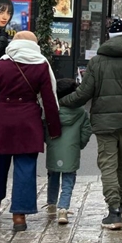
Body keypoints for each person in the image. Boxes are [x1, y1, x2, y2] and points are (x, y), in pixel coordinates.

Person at [59, 19, 122, 230]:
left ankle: (113, 211)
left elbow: (84, 94)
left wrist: (61, 102)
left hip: (104, 122)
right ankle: (120, 202)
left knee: (108, 165)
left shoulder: (97, 62)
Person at [0, 31, 62, 232]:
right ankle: (19, 215)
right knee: (26, 168)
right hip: (28, 123)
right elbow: (48, 100)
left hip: (1, 121)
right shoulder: (41, 66)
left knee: (0, 167)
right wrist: (54, 129)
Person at [45, 79, 92, 225]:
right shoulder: (81, 113)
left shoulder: (51, 111)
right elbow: (86, 131)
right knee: (68, 180)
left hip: (53, 150)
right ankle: (63, 209)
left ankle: (51, 204)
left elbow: (45, 130)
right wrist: (79, 145)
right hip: (71, 151)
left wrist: (49, 143)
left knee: (53, 176)